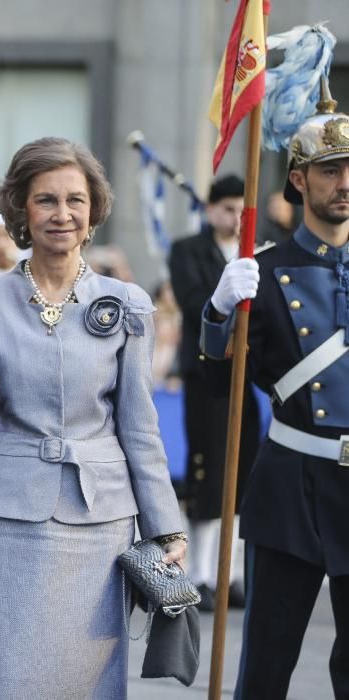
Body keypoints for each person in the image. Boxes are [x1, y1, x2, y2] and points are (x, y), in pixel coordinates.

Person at [0, 137, 187, 699]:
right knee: (3, 679)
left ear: (93, 210)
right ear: (21, 208)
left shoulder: (128, 302)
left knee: (86, 684)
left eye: (76, 199)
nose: (62, 214)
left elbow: (140, 427)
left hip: (100, 527)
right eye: (46, 200)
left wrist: (166, 526)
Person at [200, 85, 349, 699]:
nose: (344, 183)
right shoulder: (264, 270)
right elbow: (218, 384)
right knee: (266, 665)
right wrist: (218, 311)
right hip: (293, 487)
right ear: (298, 180)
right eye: (330, 171)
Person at [168, 175, 262, 611]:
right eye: (226, 209)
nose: (233, 218)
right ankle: (201, 573)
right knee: (209, 471)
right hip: (206, 374)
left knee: (243, 471)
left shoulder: (259, 251)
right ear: (209, 210)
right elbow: (192, 303)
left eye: (240, 211)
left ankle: (231, 572)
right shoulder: (188, 250)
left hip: (247, 375)